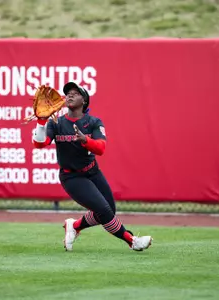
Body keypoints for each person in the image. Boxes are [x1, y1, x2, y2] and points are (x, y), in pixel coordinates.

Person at [32, 82, 152, 252]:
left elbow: (101, 148)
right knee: (103, 210)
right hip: (71, 177)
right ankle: (132, 241)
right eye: (68, 93)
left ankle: (74, 226)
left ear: (84, 101)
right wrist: (41, 121)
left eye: (75, 92)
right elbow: (39, 144)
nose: (70, 95)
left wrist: (85, 140)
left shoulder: (93, 122)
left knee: (109, 210)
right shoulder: (56, 123)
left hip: (92, 172)